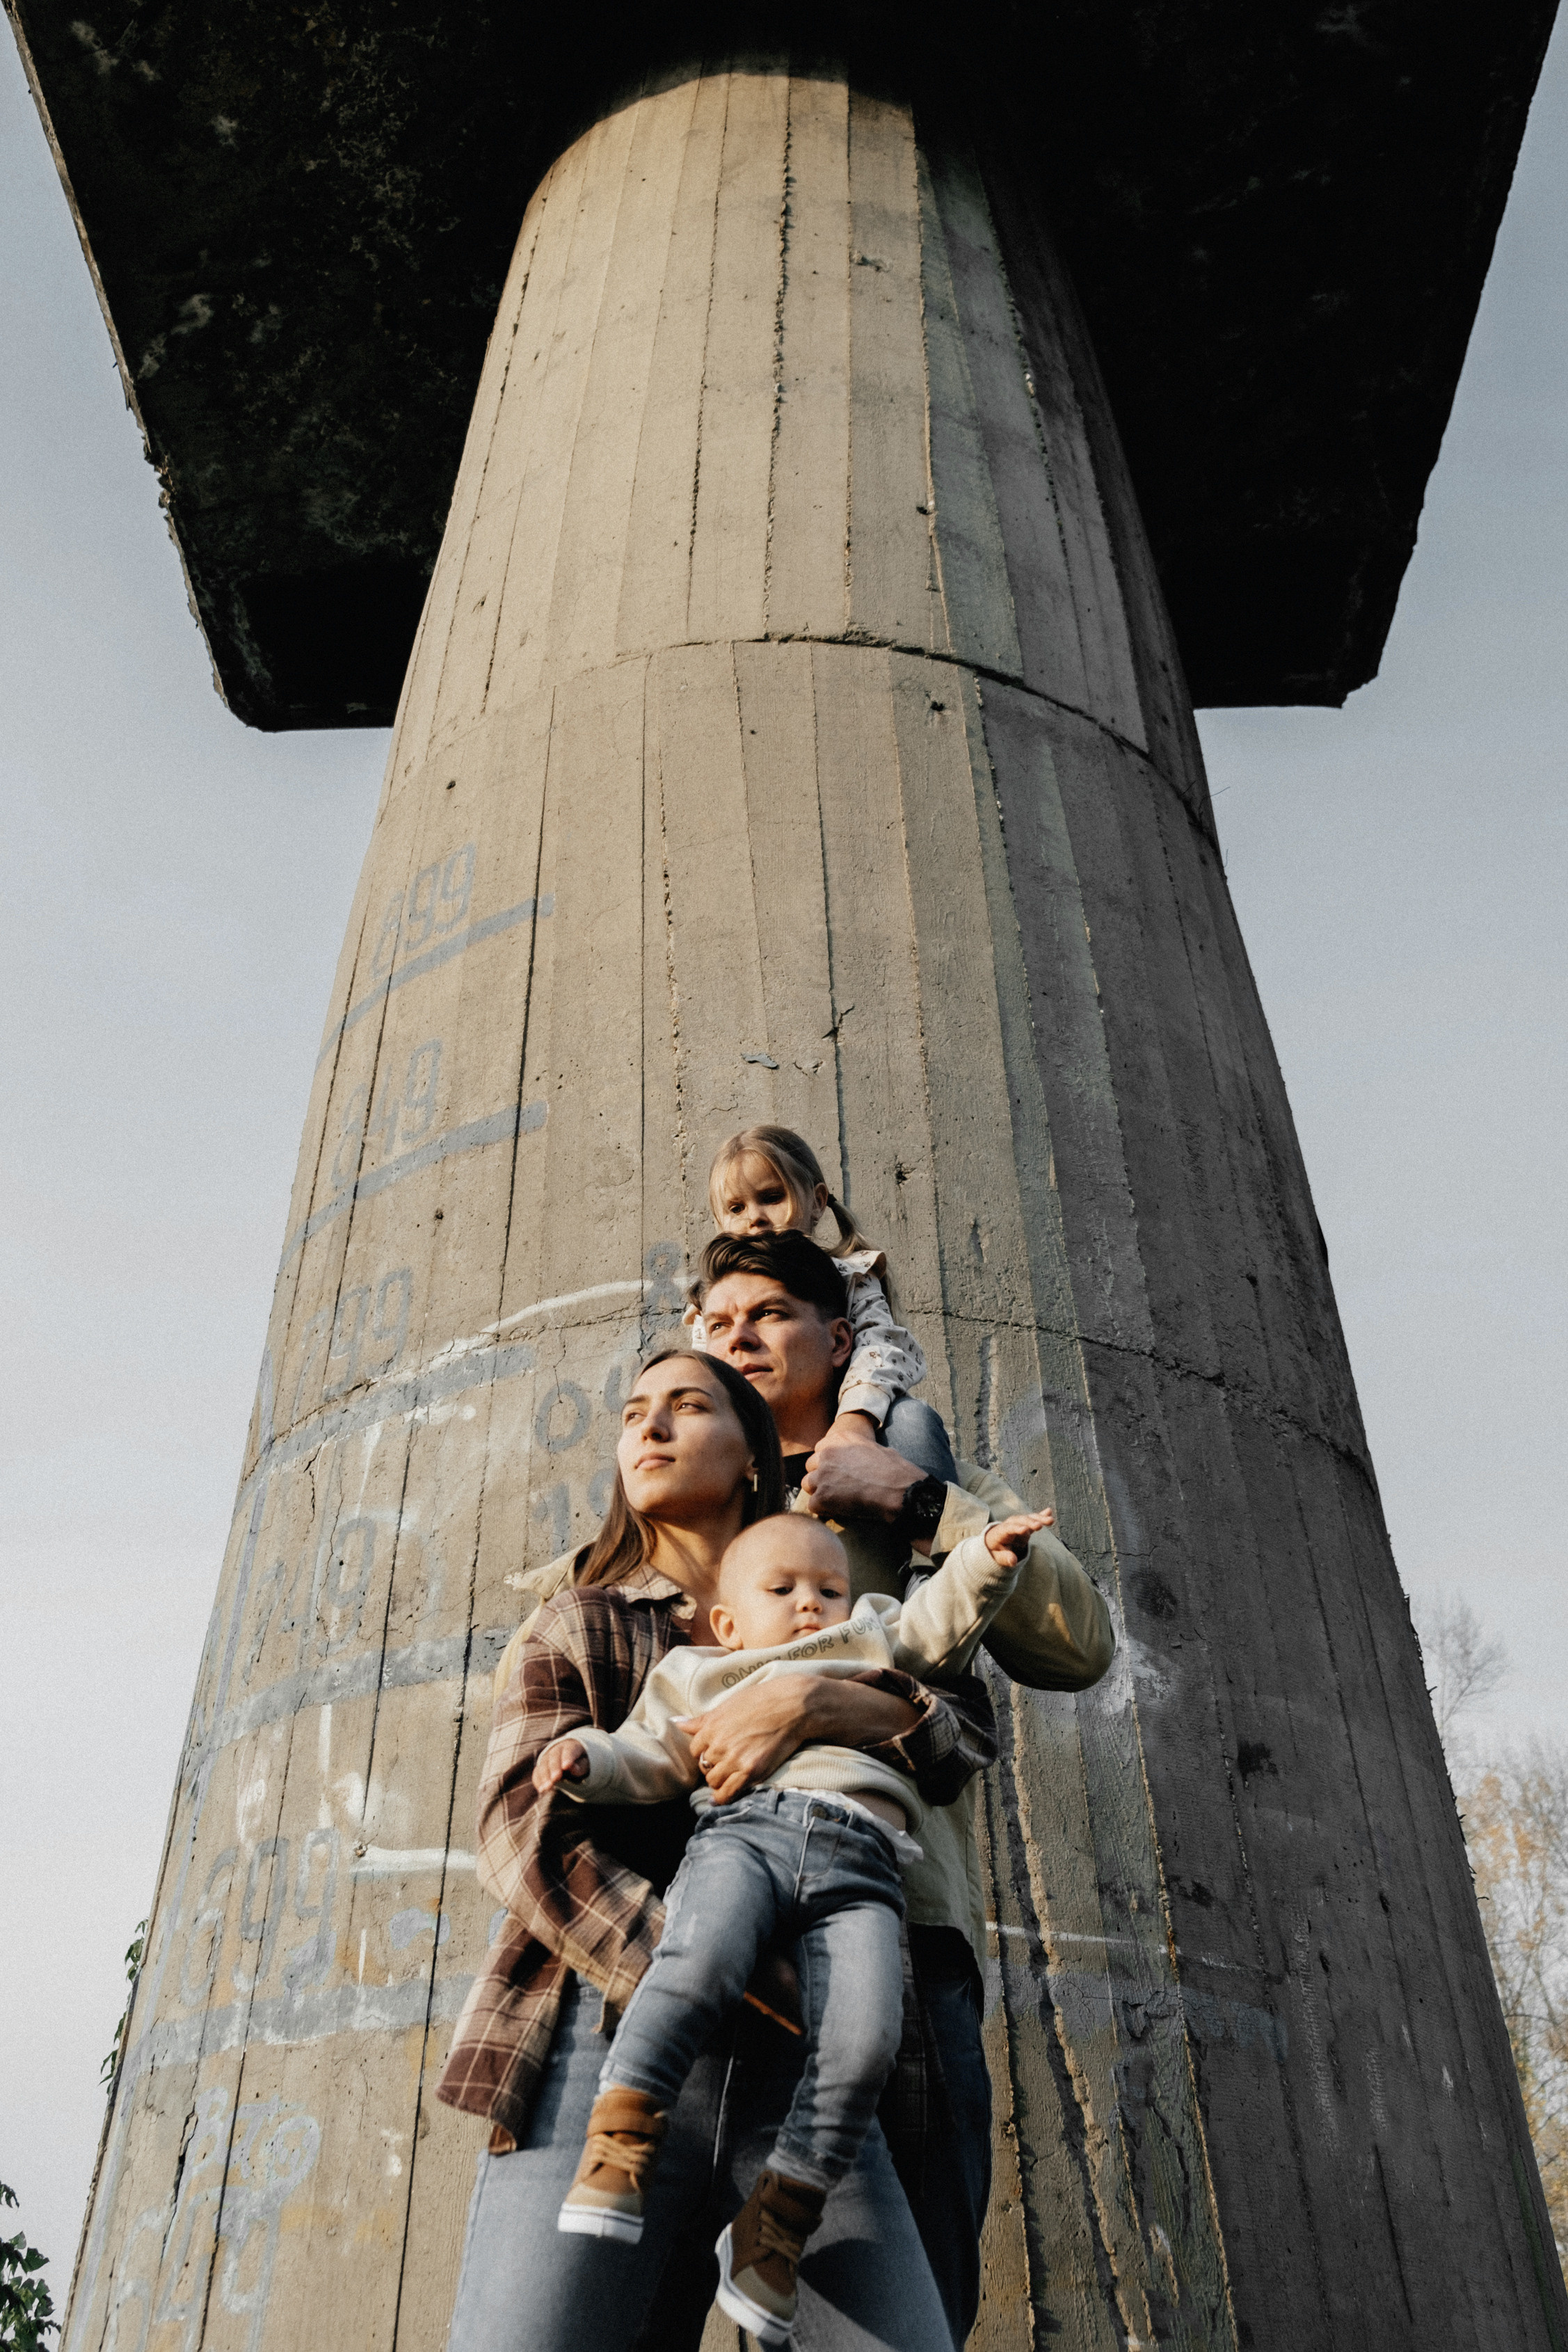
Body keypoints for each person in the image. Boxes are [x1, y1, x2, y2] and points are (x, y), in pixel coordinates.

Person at [436, 1346, 989, 2352]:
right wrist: (711, 1970)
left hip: (811, 2081)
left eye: (685, 1407)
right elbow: (523, 1835)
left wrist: (817, 1694)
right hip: (610, 2049)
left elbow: (958, 1738)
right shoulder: (584, 1621)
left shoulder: (842, 1607)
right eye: (634, 1411)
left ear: (751, 1457)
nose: (646, 1428)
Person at [691, 1227, 1117, 2347]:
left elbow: (1078, 1645)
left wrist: (916, 1499)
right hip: (686, 1941)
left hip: (889, 1934)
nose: (738, 1338)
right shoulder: (683, 1499)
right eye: (716, 1322)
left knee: (902, 2308)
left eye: (768, 1316)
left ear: (840, 1343)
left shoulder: (905, 1489)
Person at [539, 1505, 1046, 2345]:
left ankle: (778, 2214)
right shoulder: (701, 1673)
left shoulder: (870, 1640)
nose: (811, 1604)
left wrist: (983, 1558)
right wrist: (587, 1758)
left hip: (865, 1866)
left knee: (865, 2037)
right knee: (694, 1964)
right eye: (782, 1588)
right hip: (744, 1837)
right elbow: (651, 1754)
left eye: (829, 1587)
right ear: (729, 1621)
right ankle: (622, 2136)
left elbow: (937, 1621)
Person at [688, 1123, 959, 1484]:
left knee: (910, 1420)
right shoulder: (715, 1295)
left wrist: (853, 1424)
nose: (754, 1218)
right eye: (736, 1208)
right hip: (760, 1434)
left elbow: (883, 1348)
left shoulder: (851, 1275)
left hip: (853, 1416)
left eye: (771, 1197)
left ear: (817, 1201)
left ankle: (933, 1527)